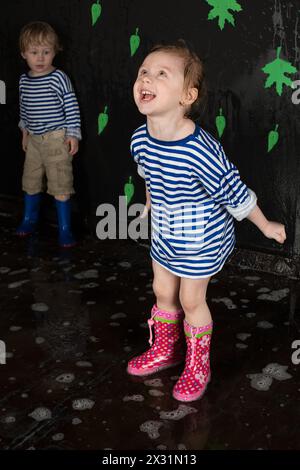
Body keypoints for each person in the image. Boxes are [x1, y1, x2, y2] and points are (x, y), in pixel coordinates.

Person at [127, 40, 286, 402]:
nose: (147, 79)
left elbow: (234, 191)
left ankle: (198, 364)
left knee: (190, 299)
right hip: (166, 232)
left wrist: (265, 226)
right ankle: (166, 350)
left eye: (161, 74)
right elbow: (149, 175)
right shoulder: (140, 138)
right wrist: (149, 206)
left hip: (202, 237)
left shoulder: (199, 149)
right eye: (143, 73)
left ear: (187, 95)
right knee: (163, 291)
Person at [16, 21, 81, 247]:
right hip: (33, 139)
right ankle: (29, 219)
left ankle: (64, 229)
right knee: (30, 180)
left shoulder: (58, 78)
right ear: (24, 53)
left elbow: (71, 107)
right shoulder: (24, 81)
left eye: (46, 52)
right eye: (34, 53)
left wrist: (73, 134)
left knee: (60, 183)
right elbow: (24, 108)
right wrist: (24, 131)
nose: (40, 58)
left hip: (56, 138)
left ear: (55, 51)